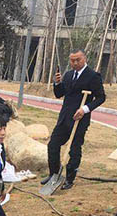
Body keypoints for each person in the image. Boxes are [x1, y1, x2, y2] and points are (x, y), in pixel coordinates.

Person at [43, 49, 106, 191]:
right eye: (72, 60)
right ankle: (54, 174)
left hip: (80, 119)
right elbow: (59, 94)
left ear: (84, 59)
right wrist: (57, 83)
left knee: (74, 149)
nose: (75, 63)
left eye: (78, 60)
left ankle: (70, 178)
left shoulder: (93, 76)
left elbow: (101, 97)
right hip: (64, 117)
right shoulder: (68, 74)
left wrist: (85, 109)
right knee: (53, 144)